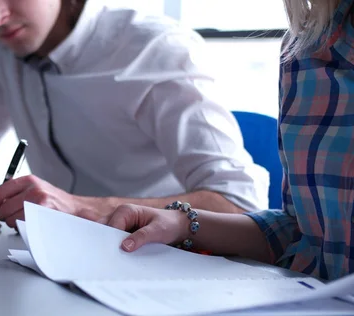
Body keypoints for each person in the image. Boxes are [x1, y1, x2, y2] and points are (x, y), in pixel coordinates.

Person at [0, 0, 270, 228]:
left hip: (162, 265)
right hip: (52, 262)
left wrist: (82, 208)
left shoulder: (154, 49)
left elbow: (237, 203)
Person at [106, 0, 353, 281]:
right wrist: (183, 223)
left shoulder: (152, 48)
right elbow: (306, 234)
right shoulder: (306, 52)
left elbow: (236, 196)